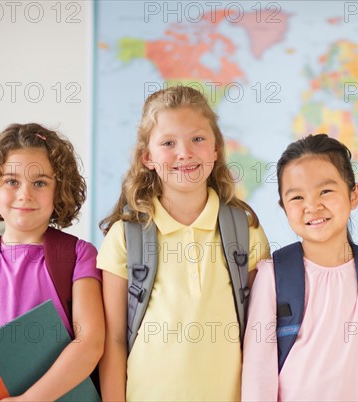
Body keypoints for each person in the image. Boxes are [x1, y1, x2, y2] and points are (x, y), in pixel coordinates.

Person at [97, 85, 271, 401]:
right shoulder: (125, 236)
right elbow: (114, 342)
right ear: (147, 157)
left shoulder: (246, 232)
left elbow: (259, 338)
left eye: (198, 139)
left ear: (216, 149)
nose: (185, 153)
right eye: (168, 143)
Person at [0, 123, 104, 402]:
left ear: (60, 189)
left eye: (40, 182)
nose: (25, 194)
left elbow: (90, 342)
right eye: (12, 181)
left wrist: (28, 401)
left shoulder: (79, 255)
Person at [241, 134, 358, 401]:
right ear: (284, 207)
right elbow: (259, 372)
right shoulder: (273, 276)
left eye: (325, 191)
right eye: (297, 197)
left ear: (354, 195)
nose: (312, 206)